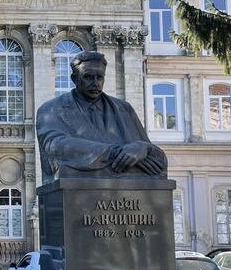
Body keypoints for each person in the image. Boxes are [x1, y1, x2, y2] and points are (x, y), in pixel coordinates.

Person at [36, 51, 167, 181]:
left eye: (99, 77)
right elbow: (56, 147)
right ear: (74, 79)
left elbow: (157, 161)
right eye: (88, 77)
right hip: (79, 188)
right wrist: (118, 153)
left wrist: (143, 147)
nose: (95, 83)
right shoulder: (51, 109)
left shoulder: (124, 109)